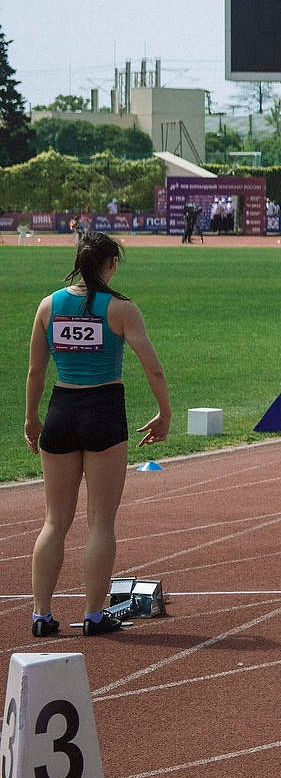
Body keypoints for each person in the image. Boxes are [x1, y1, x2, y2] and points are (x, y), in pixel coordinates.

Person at [22, 233, 170, 636]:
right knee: (101, 523)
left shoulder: (48, 306)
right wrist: (164, 413)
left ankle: (41, 615)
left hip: (61, 411)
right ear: (110, 265)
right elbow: (152, 367)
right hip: (103, 411)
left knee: (54, 521)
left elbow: (36, 372)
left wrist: (31, 418)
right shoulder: (121, 308)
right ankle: (92, 614)